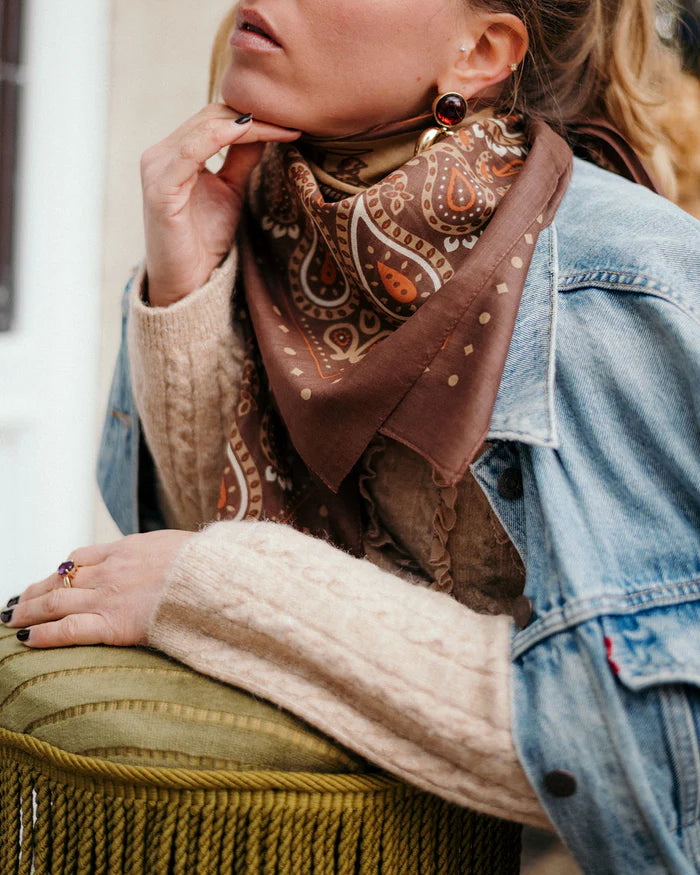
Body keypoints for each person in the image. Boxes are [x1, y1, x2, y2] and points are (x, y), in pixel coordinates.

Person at [2, 1, 699, 872]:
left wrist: (230, 584)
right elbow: (197, 529)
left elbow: (656, 751)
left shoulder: (613, 287)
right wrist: (187, 286)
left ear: (480, 50)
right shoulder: (275, 204)